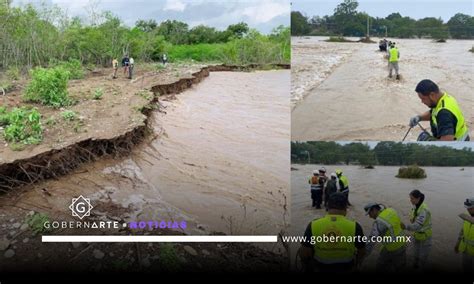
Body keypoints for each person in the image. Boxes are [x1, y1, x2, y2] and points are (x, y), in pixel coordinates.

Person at [299, 193, 366, 272]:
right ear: (345, 207)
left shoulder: (313, 225)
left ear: (327, 207)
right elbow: (362, 251)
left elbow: (304, 253)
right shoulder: (355, 226)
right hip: (346, 267)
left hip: (320, 267)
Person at [364, 202, 407, 272]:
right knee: (401, 265)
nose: (370, 216)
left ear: (374, 209)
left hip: (392, 247)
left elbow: (371, 242)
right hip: (403, 242)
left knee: (381, 265)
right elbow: (401, 224)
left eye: (370, 213)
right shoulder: (391, 210)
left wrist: (363, 255)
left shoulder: (378, 222)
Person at [402, 190, 432, 271]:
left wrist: (405, 227)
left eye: (412, 198)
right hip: (417, 235)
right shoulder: (415, 206)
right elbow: (413, 219)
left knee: (423, 258)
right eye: (410, 198)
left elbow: (418, 225)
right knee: (415, 255)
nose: (410, 200)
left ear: (418, 198)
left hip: (425, 236)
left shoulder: (424, 210)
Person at [454, 197, 474, 273]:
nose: (468, 210)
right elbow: (461, 233)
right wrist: (457, 244)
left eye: (470, 208)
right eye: (467, 208)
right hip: (465, 250)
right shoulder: (467, 218)